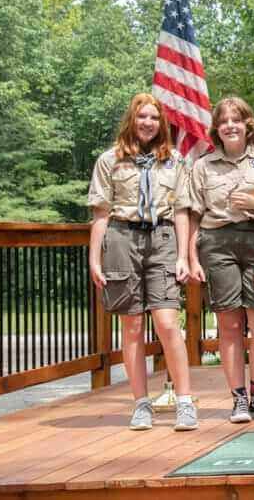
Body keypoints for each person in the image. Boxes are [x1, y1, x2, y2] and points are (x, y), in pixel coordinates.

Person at [87, 92, 199, 431]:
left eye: (153, 117)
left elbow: (182, 211)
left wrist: (183, 255)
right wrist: (95, 258)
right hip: (122, 238)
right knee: (132, 325)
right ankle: (141, 404)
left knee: (167, 323)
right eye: (142, 116)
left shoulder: (174, 161)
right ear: (131, 120)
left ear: (161, 123)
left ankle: (184, 401)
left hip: (162, 239)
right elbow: (101, 213)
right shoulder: (110, 160)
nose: (147, 123)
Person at [188, 97, 254, 424]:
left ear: (249, 124)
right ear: (216, 128)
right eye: (224, 121)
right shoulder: (203, 165)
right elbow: (192, 215)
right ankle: (239, 399)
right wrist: (190, 257)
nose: (230, 126)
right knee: (229, 323)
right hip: (217, 243)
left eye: (236, 119)